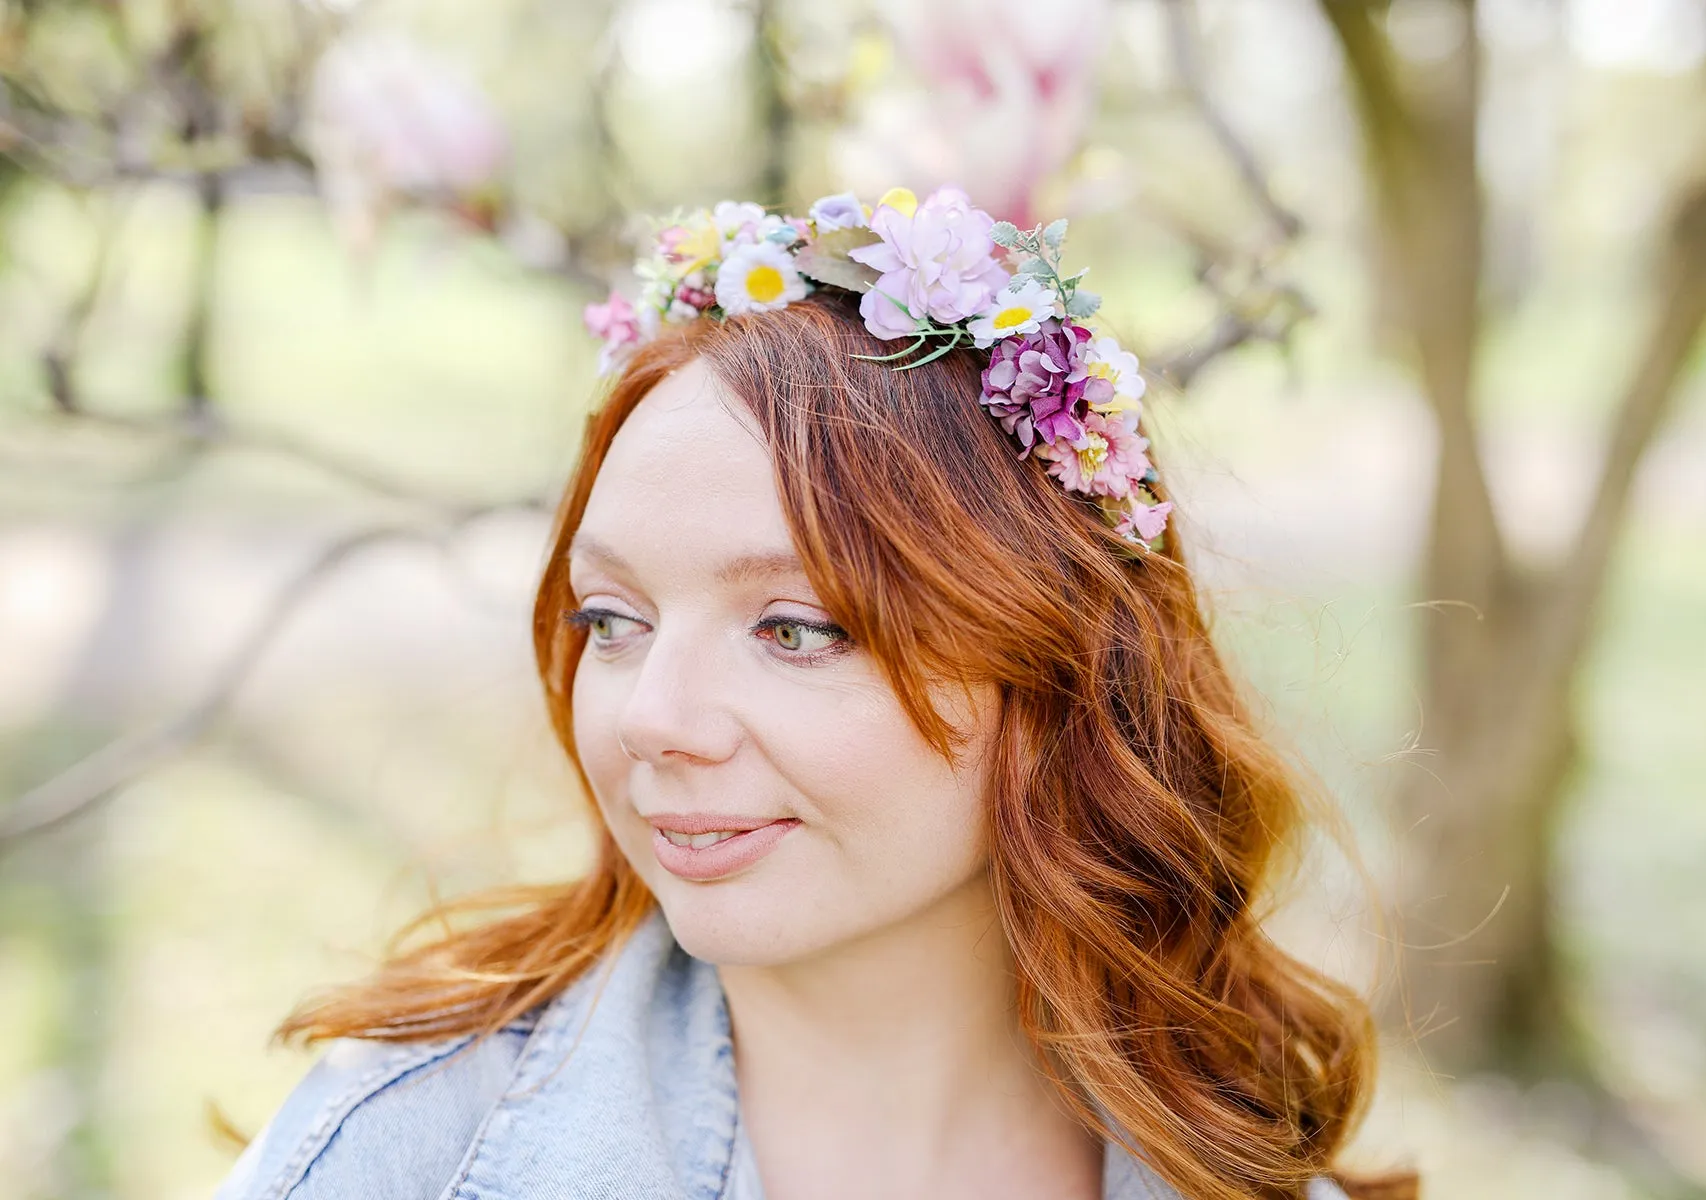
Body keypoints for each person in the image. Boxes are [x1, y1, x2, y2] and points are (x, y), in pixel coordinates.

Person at [214, 188, 1415, 1200]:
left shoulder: (1237, 1160)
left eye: (795, 629)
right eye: (611, 621)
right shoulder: (393, 1153)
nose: (650, 719)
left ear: (1055, 670)